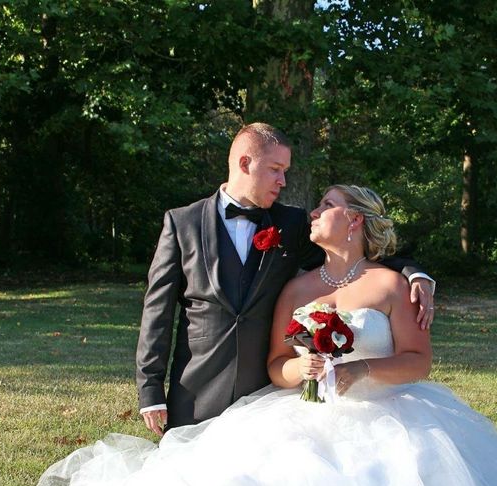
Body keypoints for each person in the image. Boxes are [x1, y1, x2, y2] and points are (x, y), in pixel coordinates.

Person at [0, 185, 497, 486]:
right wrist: (311, 369)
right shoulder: (295, 289)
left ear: (354, 219)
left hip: (390, 413)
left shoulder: (386, 284)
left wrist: (360, 374)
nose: (310, 210)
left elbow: (418, 359)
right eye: (312, 203)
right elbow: (275, 365)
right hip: (299, 415)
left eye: (324, 204)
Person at [135, 123, 434, 433]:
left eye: (286, 171)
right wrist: (150, 389)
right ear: (245, 163)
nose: (283, 181)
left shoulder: (290, 224)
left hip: (264, 391)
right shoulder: (182, 223)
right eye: (276, 169)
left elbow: (352, 256)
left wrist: (413, 272)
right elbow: (158, 311)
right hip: (196, 385)